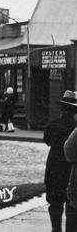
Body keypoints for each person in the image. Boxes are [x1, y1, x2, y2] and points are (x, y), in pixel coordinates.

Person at [48, 90, 77, 232]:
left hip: (54, 168)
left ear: (62, 108)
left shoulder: (54, 124)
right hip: (69, 169)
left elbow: (46, 140)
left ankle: (56, 229)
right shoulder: (75, 127)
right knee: (71, 205)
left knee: (55, 203)